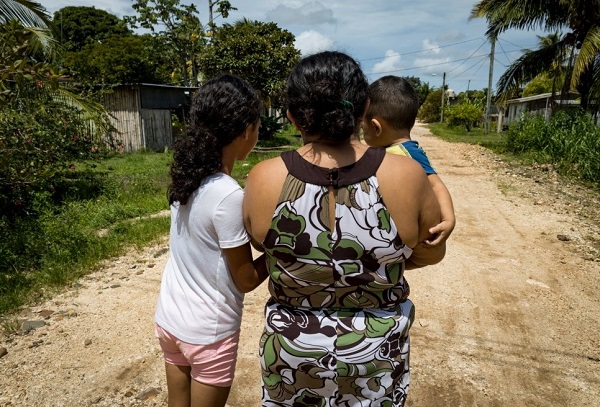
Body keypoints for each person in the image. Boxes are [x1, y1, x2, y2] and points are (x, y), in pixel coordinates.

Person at [243, 51, 446, 407]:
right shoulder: (407, 175)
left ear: (292, 116)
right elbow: (433, 249)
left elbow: (266, 247)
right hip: (377, 357)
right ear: (364, 107)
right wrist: (379, 262)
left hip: (293, 357)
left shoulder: (264, 178)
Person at [154, 74, 268, 407]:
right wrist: (284, 248)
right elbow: (245, 279)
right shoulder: (228, 194)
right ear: (246, 130)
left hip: (170, 320)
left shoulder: (188, 175)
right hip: (207, 332)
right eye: (258, 128)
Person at [363, 75, 456, 246]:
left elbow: (436, 184)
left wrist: (449, 219)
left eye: (363, 127)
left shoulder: (409, 152)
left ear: (376, 127)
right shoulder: (386, 150)